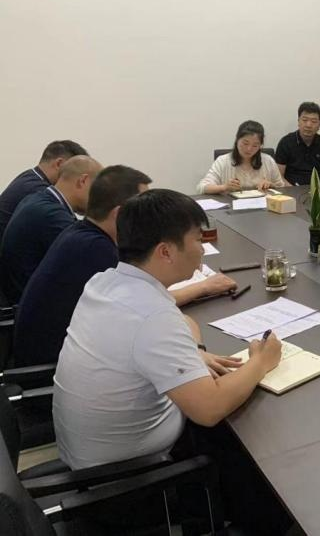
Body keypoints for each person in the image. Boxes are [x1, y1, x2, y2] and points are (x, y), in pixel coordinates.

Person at [53, 188, 282, 469]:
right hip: (125, 469)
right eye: (197, 239)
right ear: (166, 252)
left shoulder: (105, 282)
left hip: (88, 447)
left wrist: (194, 352)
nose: (202, 249)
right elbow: (209, 409)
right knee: (243, 438)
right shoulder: (153, 317)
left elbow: (182, 322)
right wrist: (261, 362)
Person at [14, 166, 237, 367]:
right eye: (145, 209)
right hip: (50, 362)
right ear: (120, 214)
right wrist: (204, 287)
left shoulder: (83, 233)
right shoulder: (96, 249)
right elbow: (143, 303)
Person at [0, 155, 102, 304]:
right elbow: (89, 260)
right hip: (27, 305)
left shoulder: (38, 199)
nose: (98, 199)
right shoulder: (52, 215)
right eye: (98, 190)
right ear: (83, 181)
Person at [0, 139, 88, 243]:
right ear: (59, 164)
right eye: (75, 170)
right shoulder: (38, 191)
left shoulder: (29, 178)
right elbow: (71, 233)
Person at [197, 120, 285, 194]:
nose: (249, 149)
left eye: (255, 145)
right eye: (245, 143)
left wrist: (270, 185)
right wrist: (224, 187)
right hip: (231, 206)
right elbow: (202, 187)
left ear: (260, 146)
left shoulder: (268, 161)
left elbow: (282, 187)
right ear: (237, 140)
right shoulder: (223, 161)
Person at [274, 101, 320, 186]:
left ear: (319, 125)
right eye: (305, 120)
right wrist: (293, 190)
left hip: (318, 190)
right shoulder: (285, 142)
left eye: (314, 121)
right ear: (298, 121)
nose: (308, 125)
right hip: (291, 189)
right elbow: (279, 177)